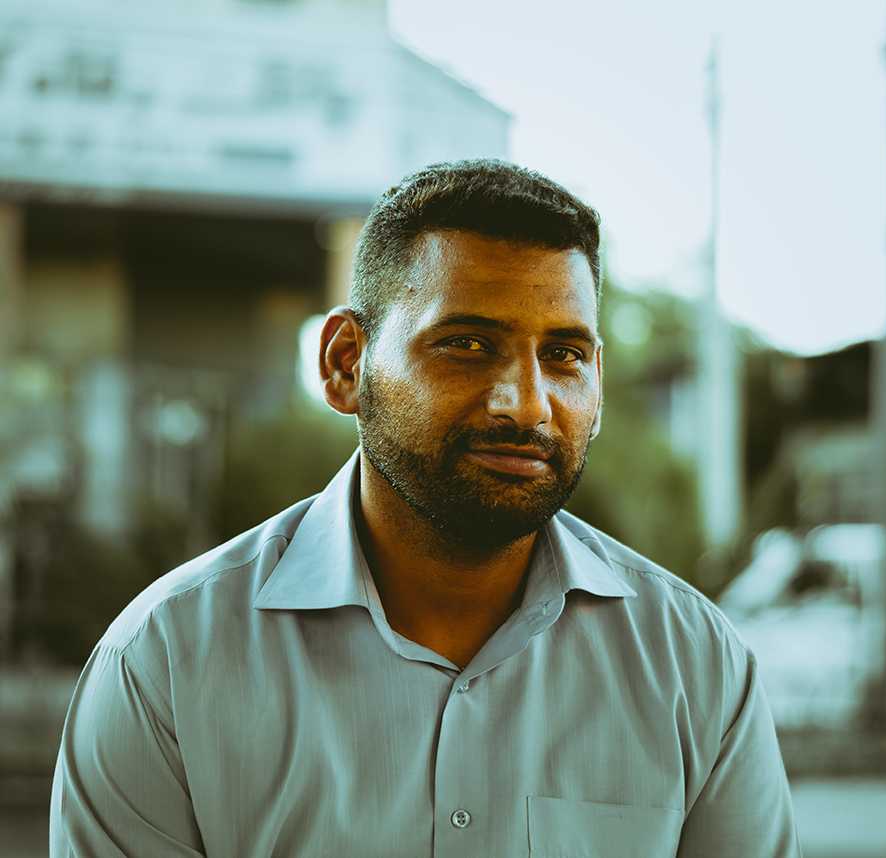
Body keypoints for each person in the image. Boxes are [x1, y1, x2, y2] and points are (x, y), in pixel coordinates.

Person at [50, 159, 802, 857]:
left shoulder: (695, 667)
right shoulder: (167, 662)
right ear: (347, 364)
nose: (528, 404)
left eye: (564, 355)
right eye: (468, 344)